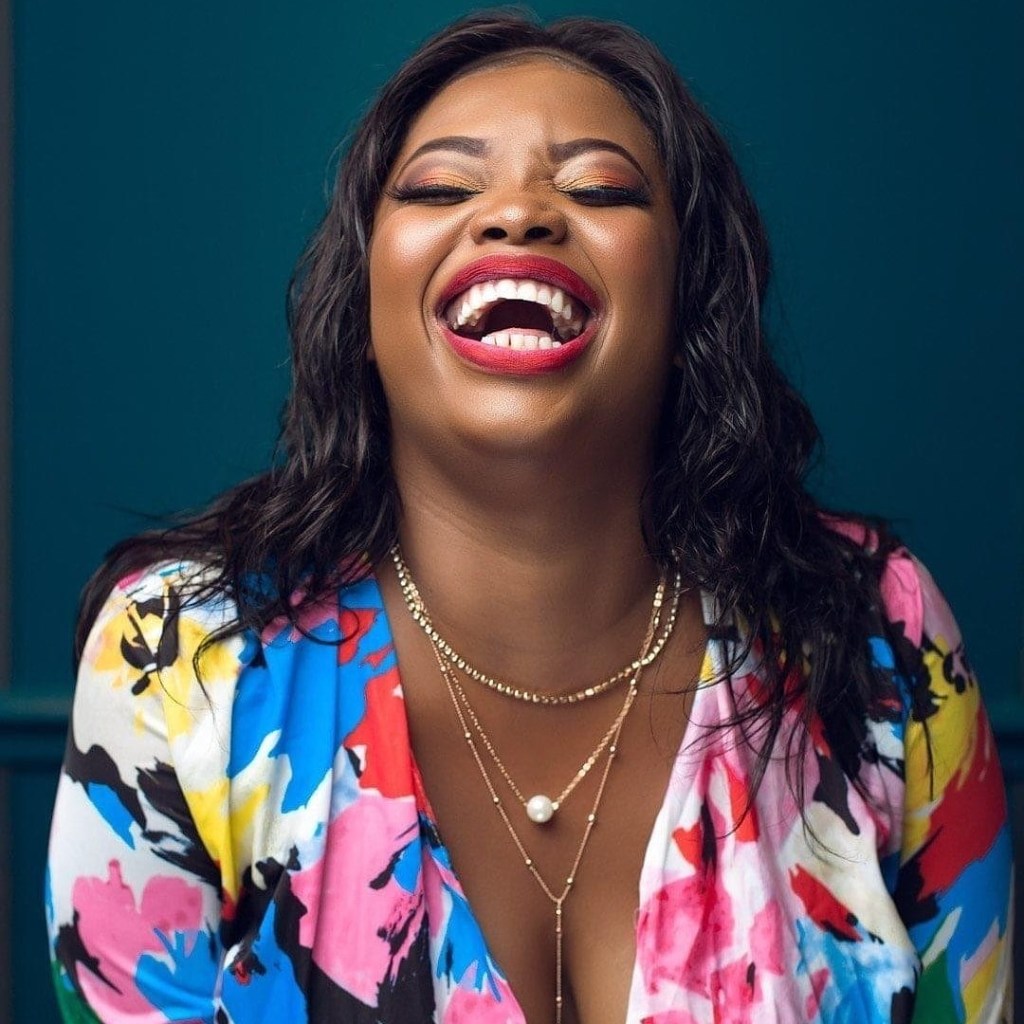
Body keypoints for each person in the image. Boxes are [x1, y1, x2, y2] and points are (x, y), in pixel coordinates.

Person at [45, 10, 1012, 1024]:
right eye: (439, 188)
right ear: (362, 303)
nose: (516, 215)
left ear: (690, 300)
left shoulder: (882, 633)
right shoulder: (181, 659)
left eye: (597, 189)